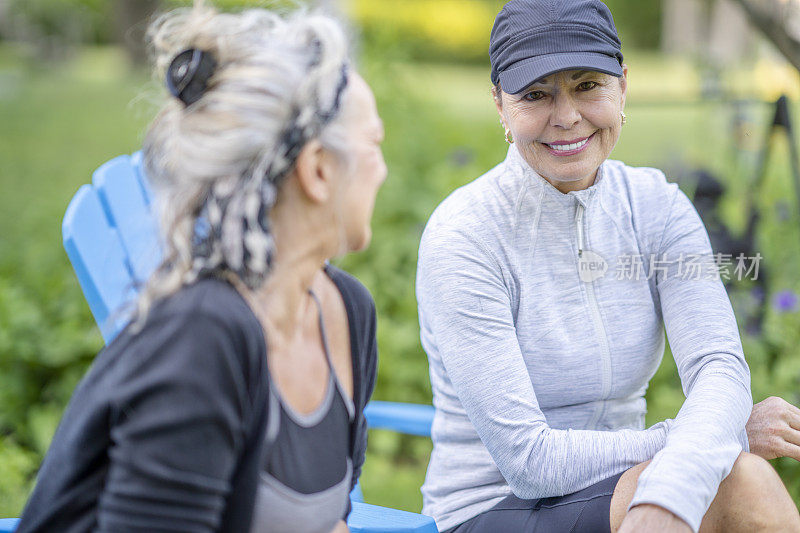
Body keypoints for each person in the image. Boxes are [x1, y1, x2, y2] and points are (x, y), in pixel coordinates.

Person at [416, 1, 800, 532]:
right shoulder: (466, 236)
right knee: (742, 482)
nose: (567, 116)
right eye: (535, 94)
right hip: (490, 508)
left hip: (633, 484)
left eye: (587, 85)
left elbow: (719, 366)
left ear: (623, 84)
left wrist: (675, 477)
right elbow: (530, 462)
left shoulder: (658, 207)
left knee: (739, 483)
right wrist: (722, 439)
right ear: (500, 106)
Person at [16, 3, 385, 532]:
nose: (383, 167)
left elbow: (332, 523)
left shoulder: (347, 313)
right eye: (374, 145)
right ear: (319, 171)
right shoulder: (202, 337)